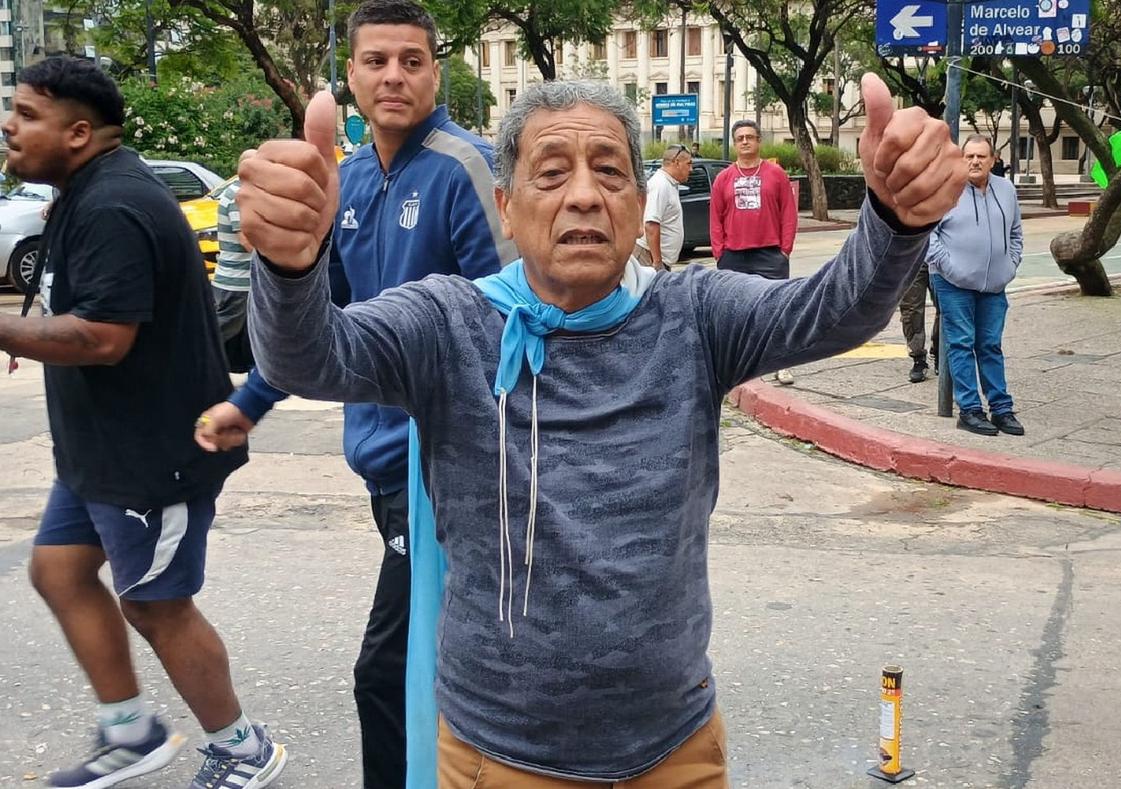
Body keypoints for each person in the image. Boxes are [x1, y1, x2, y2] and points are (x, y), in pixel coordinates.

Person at [236, 75, 965, 787]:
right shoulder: (447, 323)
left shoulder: (693, 315)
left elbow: (832, 309)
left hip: (675, 750)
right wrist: (290, 265)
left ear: (634, 197)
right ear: (507, 208)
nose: (584, 192)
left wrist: (894, 221)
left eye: (609, 170)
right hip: (501, 759)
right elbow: (310, 355)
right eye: (551, 173)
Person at [194, 0, 515, 785]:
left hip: (444, 469)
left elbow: (508, 319)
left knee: (390, 670)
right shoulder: (349, 178)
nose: (394, 75)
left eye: (412, 59)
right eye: (377, 61)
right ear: (352, 76)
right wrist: (253, 400)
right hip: (382, 467)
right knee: (446, 663)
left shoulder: (464, 168)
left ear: (438, 71)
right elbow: (322, 320)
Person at [0, 57, 286, 788]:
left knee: (157, 603)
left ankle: (243, 748)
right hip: (99, 450)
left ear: (78, 131)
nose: (9, 125)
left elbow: (103, 335)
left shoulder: (113, 204)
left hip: (154, 454)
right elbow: (75, 307)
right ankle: (132, 732)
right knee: (60, 571)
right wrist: (30, 332)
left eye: (27, 114)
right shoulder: (83, 190)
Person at [927, 134, 1026, 437]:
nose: (974, 161)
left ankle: (1001, 408)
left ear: (993, 160)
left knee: (990, 345)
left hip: (994, 285)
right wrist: (948, 265)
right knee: (960, 343)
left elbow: (1016, 233)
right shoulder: (946, 189)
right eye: (969, 156)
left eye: (981, 156)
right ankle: (969, 409)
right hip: (952, 282)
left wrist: (1009, 266)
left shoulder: (1006, 190)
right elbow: (926, 234)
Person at [709, 119, 799, 384]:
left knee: (778, 311)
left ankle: (781, 364)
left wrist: (784, 250)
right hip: (733, 255)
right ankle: (734, 366)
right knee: (732, 313)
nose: (745, 141)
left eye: (750, 137)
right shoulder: (723, 178)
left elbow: (788, 214)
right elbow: (715, 217)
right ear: (735, 144)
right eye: (740, 138)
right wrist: (719, 252)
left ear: (759, 141)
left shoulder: (776, 174)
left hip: (770, 254)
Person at [210, 178, 256, 373]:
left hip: (239, 279)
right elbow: (245, 238)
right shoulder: (239, 195)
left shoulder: (240, 192)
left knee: (244, 329)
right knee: (223, 327)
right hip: (236, 281)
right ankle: (189, 363)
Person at [633, 142, 691, 270]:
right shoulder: (661, 185)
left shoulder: (669, 184)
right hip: (648, 259)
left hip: (656, 260)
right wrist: (658, 263)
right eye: (688, 163)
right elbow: (651, 224)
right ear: (676, 162)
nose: (691, 168)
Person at [898, 262, 940, 382]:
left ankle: (939, 351)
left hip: (942, 256)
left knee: (946, 308)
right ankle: (918, 357)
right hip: (914, 256)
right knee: (911, 311)